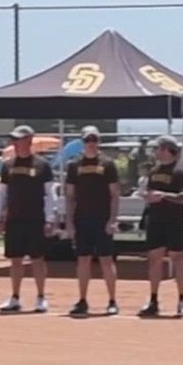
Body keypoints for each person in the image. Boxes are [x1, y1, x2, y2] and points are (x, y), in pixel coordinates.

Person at [0, 124, 56, 314]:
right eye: (14, 139)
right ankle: (15, 297)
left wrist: (50, 217)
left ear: (29, 140)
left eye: (19, 139)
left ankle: (41, 297)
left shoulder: (42, 165)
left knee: (37, 259)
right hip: (14, 219)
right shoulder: (8, 166)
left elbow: (50, 194)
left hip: (35, 218)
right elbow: (1, 193)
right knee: (15, 260)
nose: (15, 143)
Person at [63, 127, 121, 317]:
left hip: (102, 218)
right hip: (82, 218)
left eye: (94, 139)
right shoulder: (74, 165)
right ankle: (82, 300)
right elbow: (70, 196)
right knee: (83, 259)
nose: (91, 143)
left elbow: (114, 194)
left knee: (106, 259)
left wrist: (112, 219)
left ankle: (112, 300)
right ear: (82, 141)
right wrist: (69, 222)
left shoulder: (108, 164)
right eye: (88, 139)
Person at [138, 134, 183, 318]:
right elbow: (148, 192)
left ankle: (182, 300)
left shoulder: (182, 172)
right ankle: (153, 300)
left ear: (167, 150)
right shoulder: (154, 172)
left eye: (158, 149)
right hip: (156, 220)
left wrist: (164, 195)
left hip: (174, 221)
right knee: (154, 259)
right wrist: (148, 196)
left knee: (177, 259)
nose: (156, 152)